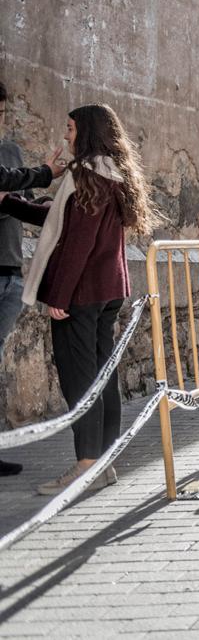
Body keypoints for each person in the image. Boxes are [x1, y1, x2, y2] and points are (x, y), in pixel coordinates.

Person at [0, 104, 155, 494]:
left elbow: (78, 244)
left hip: (82, 294)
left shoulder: (89, 176)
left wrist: (60, 296)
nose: (65, 135)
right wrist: (8, 202)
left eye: (69, 128)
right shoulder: (110, 172)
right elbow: (57, 220)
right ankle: (103, 463)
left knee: (80, 381)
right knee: (104, 378)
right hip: (108, 291)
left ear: (85, 132)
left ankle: (86, 463)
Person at [0, 82, 65, 477]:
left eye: (2, 115)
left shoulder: (9, 152)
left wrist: (26, 203)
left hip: (9, 274)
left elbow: (10, 196)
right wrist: (42, 174)